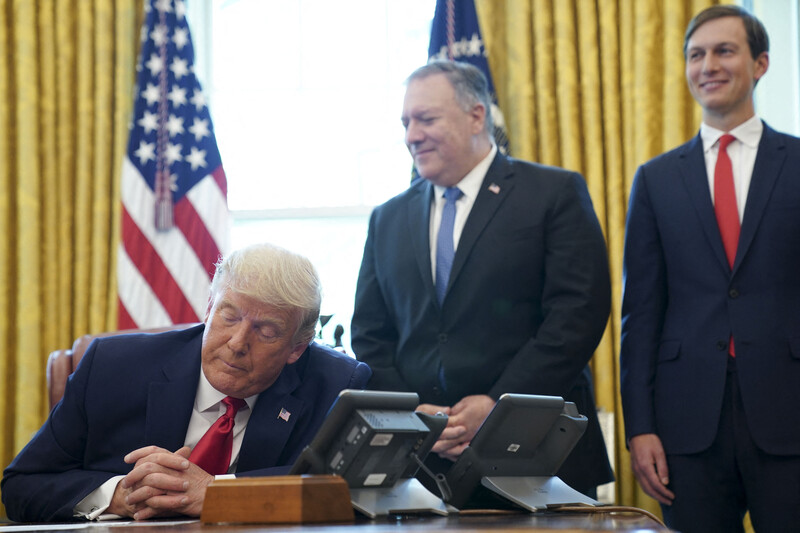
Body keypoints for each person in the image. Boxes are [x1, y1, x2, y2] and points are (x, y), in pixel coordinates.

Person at [350, 60, 613, 497]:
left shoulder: (553, 193)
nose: (411, 135)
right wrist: (418, 413)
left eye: (426, 119)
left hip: (537, 449)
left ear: (476, 115)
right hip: (423, 460)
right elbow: (371, 335)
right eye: (406, 122)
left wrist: (498, 404)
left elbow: (577, 313)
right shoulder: (388, 218)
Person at [2, 243, 371, 522]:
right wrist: (117, 495)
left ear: (297, 348)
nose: (238, 343)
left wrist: (219, 493)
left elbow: (352, 490)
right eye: (230, 316)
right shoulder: (113, 367)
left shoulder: (336, 383)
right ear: (209, 308)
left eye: (267, 331)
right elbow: (21, 486)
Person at [620, 5, 800, 532]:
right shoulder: (655, 180)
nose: (708, 66)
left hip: (789, 414)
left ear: (760, 63)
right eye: (696, 55)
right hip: (686, 426)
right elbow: (641, 314)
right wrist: (641, 428)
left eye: (724, 50)